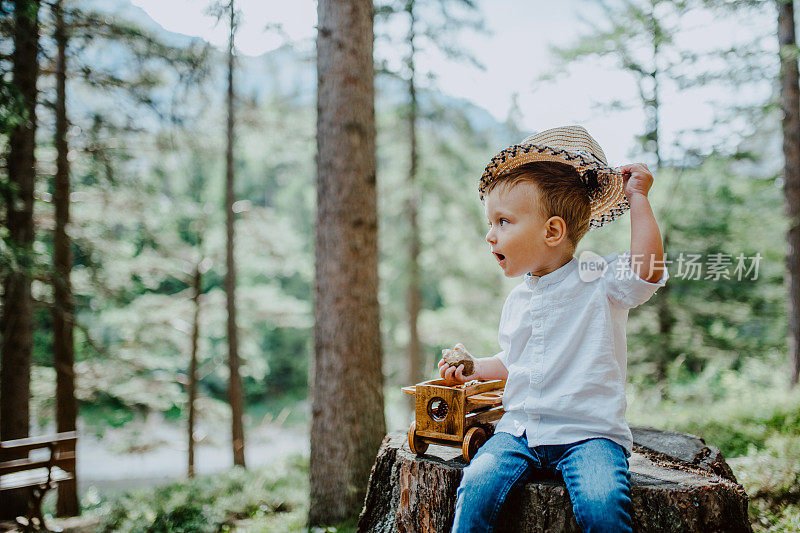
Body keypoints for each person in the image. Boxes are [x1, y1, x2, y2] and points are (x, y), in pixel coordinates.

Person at [439, 125, 669, 533]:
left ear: (552, 231)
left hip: (589, 434)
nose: (489, 234)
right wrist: (474, 366)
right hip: (520, 432)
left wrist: (639, 199)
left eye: (503, 221)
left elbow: (646, 272)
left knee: (602, 507)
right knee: (475, 487)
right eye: (491, 222)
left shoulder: (598, 279)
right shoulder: (519, 300)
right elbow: (514, 362)